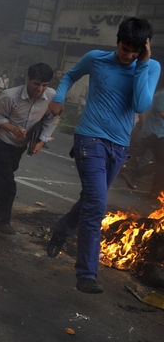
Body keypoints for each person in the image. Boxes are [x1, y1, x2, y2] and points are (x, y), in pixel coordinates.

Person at [46, 17, 160, 294]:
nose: (128, 56)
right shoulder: (96, 59)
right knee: (97, 205)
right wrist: (59, 97)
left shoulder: (150, 67)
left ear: (143, 48)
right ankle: (86, 273)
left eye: (135, 51)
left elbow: (140, 104)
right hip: (90, 138)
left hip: (119, 146)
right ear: (117, 41)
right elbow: (71, 75)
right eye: (124, 49)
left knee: (89, 199)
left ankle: (61, 231)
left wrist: (142, 65)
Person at [0, 63, 59, 236]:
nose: (40, 89)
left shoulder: (51, 96)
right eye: (36, 84)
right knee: (8, 183)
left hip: (18, 148)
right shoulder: (9, 96)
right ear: (27, 80)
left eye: (44, 85)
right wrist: (12, 128)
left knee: (1, 177)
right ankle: (2, 221)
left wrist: (41, 140)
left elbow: (51, 119)